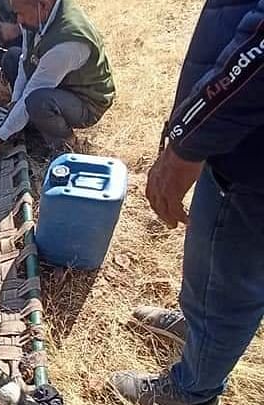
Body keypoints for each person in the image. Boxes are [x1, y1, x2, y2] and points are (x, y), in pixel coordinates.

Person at [110, 1, 264, 404]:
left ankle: (192, 389)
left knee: (230, 284)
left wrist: (186, 143)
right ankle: (200, 326)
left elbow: (257, 57)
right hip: (236, 143)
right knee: (213, 271)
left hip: (250, 163)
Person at [0, 0, 115, 162]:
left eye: (21, 14)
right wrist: (15, 101)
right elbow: (25, 60)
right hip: (58, 82)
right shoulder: (38, 16)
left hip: (87, 101)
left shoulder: (67, 43)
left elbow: (33, 90)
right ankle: (31, 123)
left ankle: (65, 145)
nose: (18, 21)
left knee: (37, 101)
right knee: (12, 57)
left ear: (43, 5)